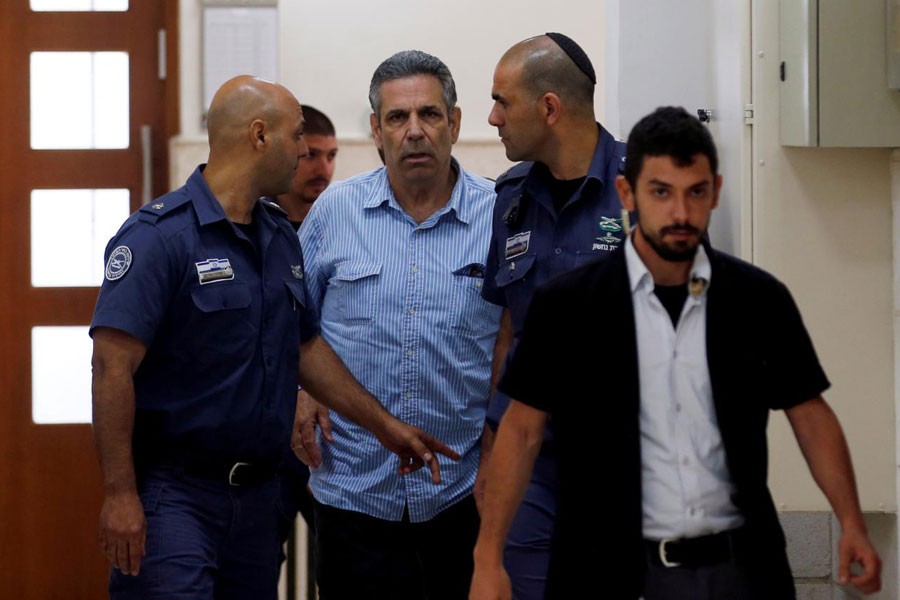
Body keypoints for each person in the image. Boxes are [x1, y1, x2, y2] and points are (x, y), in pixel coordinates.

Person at [470, 106, 882, 600]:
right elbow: (521, 430)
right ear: (628, 194)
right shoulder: (568, 306)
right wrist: (488, 556)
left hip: (738, 571)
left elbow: (810, 415)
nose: (681, 214)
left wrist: (852, 522)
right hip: (606, 570)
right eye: (661, 193)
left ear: (716, 192)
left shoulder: (758, 300)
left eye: (696, 193)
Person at [90, 75, 458, 600]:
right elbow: (110, 368)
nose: (305, 151)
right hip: (176, 497)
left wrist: (385, 427)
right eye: (296, 135)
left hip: (258, 500)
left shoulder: (280, 235)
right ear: (259, 136)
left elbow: (305, 349)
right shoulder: (159, 238)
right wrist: (119, 492)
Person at [292, 50, 502, 599]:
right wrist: (301, 389)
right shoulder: (333, 213)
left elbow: (517, 341)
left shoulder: (500, 215)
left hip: (463, 495)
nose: (414, 132)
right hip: (352, 493)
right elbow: (286, 323)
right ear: (376, 132)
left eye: (429, 115)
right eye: (397, 118)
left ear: (455, 124)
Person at [478, 32, 626, 599]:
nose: (492, 117)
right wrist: (492, 448)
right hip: (529, 462)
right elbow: (508, 333)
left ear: (549, 108)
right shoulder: (512, 198)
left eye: (502, 101)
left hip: (616, 459)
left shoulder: (638, 189)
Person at [275, 105, 339, 230]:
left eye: (331, 155)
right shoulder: (257, 223)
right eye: (311, 154)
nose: (324, 170)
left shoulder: (342, 222)